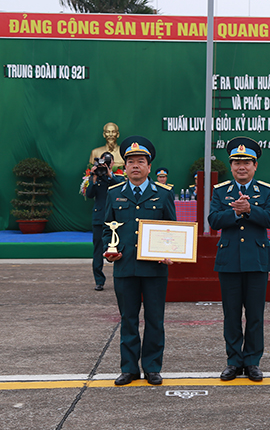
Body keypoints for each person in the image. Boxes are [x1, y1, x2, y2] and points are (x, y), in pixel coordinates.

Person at [102, 135, 176, 386]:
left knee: (155, 319)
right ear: (126, 166)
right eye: (131, 161)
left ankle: (153, 367)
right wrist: (109, 250)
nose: (135, 165)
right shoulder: (114, 194)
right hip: (125, 266)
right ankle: (129, 368)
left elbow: (172, 231)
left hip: (155, 268)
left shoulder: (163, 195)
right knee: (128, 319)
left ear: (149, 166)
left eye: (140, 161)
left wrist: (171, 252)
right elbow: (105, 230)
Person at [208, 136, 270, 382]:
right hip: (229, 260)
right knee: (231, 314)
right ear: (230, 165)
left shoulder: (266, 191)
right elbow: (213, 221)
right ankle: (233, 361)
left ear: (255, 165)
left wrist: (250, 210)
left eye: (247, 162)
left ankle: (252, 362)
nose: (241, 167)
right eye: (236, 162)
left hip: (256, 260)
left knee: (256, 314)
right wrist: (235, 213)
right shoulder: (221, 191)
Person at [85, 151, 123, 291]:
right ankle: (99, 281)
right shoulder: (96, 177)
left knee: (121, 248)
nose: (106, 165)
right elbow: (89, 194)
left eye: (108, 163)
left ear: (112, 164)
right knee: (98, 250)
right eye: (103, 163)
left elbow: (120, 187)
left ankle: (122, 278)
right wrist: (93, 177)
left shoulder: (115, 178)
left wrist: (109, 175)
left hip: (116, 219)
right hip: (99, 218)